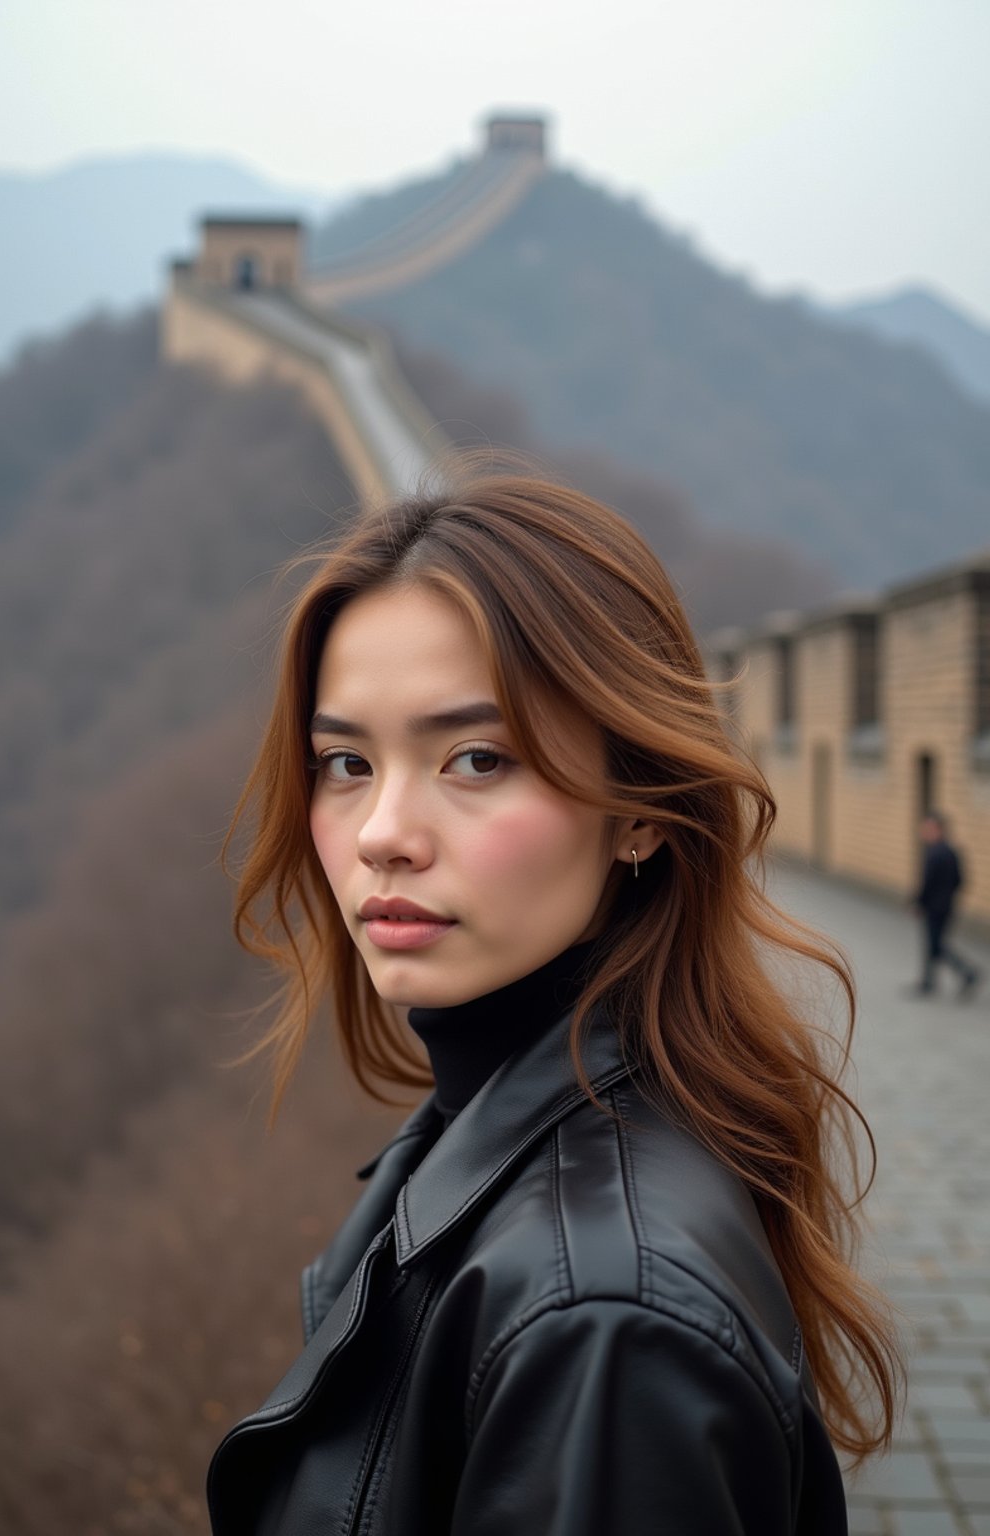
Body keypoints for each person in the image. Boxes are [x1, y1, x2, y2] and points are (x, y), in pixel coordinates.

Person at [208, 464, 900, 1535]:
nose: (384, 831)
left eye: (476, 759)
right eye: (345, 762)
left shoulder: (603, 1322)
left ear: (640, 812)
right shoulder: (509, 1136)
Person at [912, 812, 981, 997]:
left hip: (934, 907)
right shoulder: (951, 851)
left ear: (937, 830)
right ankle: (928, 982)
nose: (924, 832)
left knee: (936, 946)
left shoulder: (934, 853)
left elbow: (927, 883)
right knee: (934, 944)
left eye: (927, 829)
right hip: (947, 906)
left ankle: (969, 973)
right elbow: (960, 880)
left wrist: (919, 902)